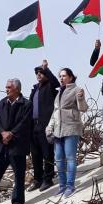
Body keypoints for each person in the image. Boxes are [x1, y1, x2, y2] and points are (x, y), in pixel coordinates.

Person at [46, 68, 88, 196]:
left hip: (71, 128)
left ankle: (70, 186)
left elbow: (83, 108)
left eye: (64, 76)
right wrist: (49, 127)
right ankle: (62, 186)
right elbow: (55, 112)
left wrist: (81, 98)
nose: (61, 78)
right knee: (58, 159)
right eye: (60, 76)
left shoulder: (77, 90)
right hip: (58, 130)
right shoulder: (59, 92)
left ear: (71, 77)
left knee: (70, 158)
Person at [28, 60, 60, 191]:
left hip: (45, 125)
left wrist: (47, 69)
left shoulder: (50, 86)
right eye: (37, 73)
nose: (39, 74)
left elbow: (56, 83)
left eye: (41, 72)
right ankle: (38, 179)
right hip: (34, 126)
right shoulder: (35, 89)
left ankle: (48, 179)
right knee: (35, 154)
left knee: (47, 153)